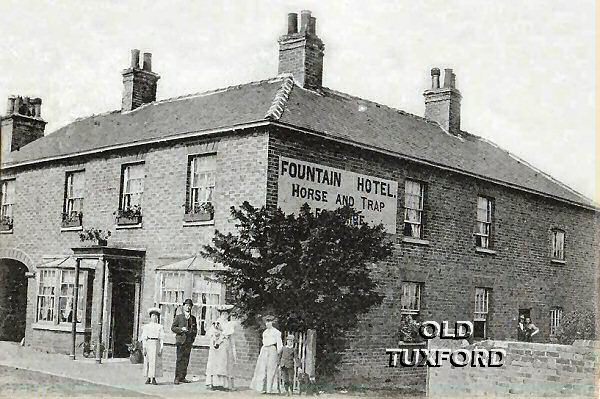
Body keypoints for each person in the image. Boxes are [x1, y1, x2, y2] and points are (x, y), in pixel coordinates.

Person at [205, 305, 236, 391]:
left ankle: (224, 384)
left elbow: (230, 335)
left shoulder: (229, 324)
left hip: (225, 346)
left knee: (224, 363)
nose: (224, 315)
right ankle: (214, 383)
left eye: (226, 314)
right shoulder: (216, 322)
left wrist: (223, 333)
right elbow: (210, 332)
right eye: (223, 313)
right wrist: (215, 336)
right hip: (216, 347)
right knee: (215, 363)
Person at [250, 315, 283, 394]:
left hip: (272, 350)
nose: (268, 324)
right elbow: (264, 342)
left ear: (272, 323)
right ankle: (261, 388)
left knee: (271, 369)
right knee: (262, 368)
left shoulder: (276, 332)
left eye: (269, 322)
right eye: (266, 322)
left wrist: (278, 353)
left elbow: (279, 344)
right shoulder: (265, 332)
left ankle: (271, 389)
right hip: (264, 350)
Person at [171, 298, 197, 384]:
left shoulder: (193, 318)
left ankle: (183, 377)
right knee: (179, 359)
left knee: (186, 360)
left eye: (190, 306)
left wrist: (192, 339)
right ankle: (177, 378)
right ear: (183, 306)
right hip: (181, 341)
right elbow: (173, 328)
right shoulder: (179, 317)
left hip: (188, 342)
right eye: (186, 305)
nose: (188, 307)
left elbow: (195, 330)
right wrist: (181, 329)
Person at [140, 307, 164, 385]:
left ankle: (153, 378)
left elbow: (161, 338)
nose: (155, 317)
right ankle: (148, 377)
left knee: (155, 361)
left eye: (156, 316)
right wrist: (144, 347)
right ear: (150, 317)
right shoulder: (147, 327)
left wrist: (161, 348)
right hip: (148, 343)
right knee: (148, 361)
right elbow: (144, 337)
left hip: (156, 343)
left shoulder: (160, 327)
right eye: (153, 316)